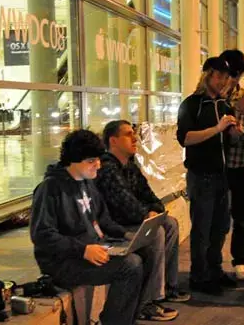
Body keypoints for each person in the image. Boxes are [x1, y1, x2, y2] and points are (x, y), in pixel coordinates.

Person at [30, 130, 163, 325]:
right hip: (63, 260)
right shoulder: (50, 189)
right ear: (74, 160)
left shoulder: (87, 183)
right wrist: (82, 250)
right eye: (92, 161)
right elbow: (42, 235)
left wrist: (127, 235)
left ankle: (129, 317)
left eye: (98, 160)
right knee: (130, 266)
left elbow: (104, 220)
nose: (98, 166)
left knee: (147, 252)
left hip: (94, 247)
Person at [96, 120, 190, 315]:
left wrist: (153, 209)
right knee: (157, 232)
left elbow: (149, 195)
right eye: (128, 134)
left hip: (132, 220)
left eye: (134, 133)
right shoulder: (107, 168)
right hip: (116, 227)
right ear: (113, 141)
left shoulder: (129, 166)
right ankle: (147, 302)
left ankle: (168, 287)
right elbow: (123, 205)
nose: (134, 138)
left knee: (170, 223)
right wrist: (146, 214)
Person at [176, 56, 238, 295]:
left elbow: (229, 138)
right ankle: (199, 276)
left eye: (226, 77)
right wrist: (217, 129)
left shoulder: (224, 105)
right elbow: (186, 138)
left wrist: (234, 132)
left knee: (221, 227)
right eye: (219, 75)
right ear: (207, 75)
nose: (223, 81)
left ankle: (214, 270)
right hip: (201, 175)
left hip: (223, 175)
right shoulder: (191, 104)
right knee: (202, 228)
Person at [219, 49, 244, 280]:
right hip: (213, 164)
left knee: (240, 214)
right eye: (228, 72)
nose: (231, 78)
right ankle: (211, 263)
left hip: (238, 163)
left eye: (236, 73)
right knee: (216, 215)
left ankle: (240, 260)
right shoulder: (209, 93)